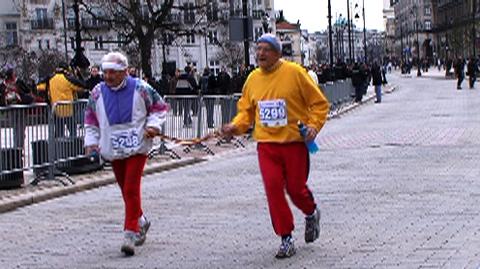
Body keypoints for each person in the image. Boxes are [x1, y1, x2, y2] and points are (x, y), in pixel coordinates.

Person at [221, 33, 329, 259]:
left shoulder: (295, 73)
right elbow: (246, 113)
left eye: (266, 49)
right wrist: (235, 127)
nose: (260, 53)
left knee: (295, 188)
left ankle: (311, 212)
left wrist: (313, 126)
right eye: (258, 49)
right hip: (267, 145)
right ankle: (286, 237)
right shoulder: (252, 79)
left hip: (294, 143)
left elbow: (319, 103)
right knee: (273, 189)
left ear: (278, 53)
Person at [84, 52, 168, 256]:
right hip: (113, 147)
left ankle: (130, 233)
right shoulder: (97, 93)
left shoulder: (140, 88)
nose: (109, 76)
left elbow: (159, 108)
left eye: (113, 72)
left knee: (131, 187)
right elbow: (91, 119)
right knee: (125, 189)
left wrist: (153, 126)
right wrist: (91, 142)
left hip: (137, 145)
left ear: (124, 72)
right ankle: (141, 220)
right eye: (106, 72)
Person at [37, 62, 86, 137]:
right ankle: (73, 147)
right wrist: (78, 74)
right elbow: (82, 86)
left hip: (56, 110)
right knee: (73, 132)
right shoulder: (68, 79)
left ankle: (59, 147)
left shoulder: (50, 78)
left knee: (59, 133)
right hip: (68, 110)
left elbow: (39, 86)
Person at [0, 66, 35, 149]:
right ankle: (19, 147)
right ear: (12, 75)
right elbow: (28, 91)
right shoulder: (18, 82)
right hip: (20, 108)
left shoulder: (3, 85)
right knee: (20, 129)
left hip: (11, 109)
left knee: (16, 129)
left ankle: (17, 147)